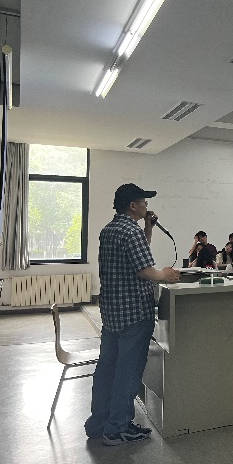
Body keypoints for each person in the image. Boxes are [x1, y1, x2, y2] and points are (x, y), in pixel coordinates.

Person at [84, 184, 180, 445]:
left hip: (112, 313)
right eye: (144, 203)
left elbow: (134, 257)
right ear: (133, 206)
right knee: (128, 371)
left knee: (107, 368)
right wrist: (165, 275)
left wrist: (148, 228)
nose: (147, 206)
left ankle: (99, 423)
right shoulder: (131, 231)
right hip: (134, 313)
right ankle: (118, 428)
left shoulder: (110, 229)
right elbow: (145, 270)